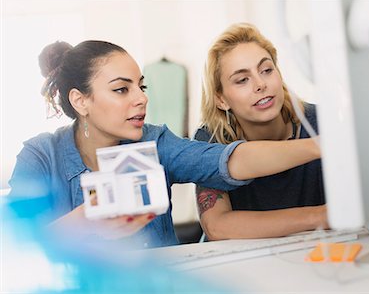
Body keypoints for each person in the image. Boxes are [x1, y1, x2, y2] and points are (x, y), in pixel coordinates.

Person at [8, 40, 321, 249]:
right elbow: (15, 245)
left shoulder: (154, 141)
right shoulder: (41, 156)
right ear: (80, 100)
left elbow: (227, 160)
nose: (141, 98)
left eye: (141, 86)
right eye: (121, 90)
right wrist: (89, 218)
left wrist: (318, 146)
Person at [194, 23, 328, 241]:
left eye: (266, 70)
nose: (260, 84)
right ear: (221, 99)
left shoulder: (323, 123)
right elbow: (218, 227)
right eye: (242, 80)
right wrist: (321, 216)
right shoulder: (210, 140)